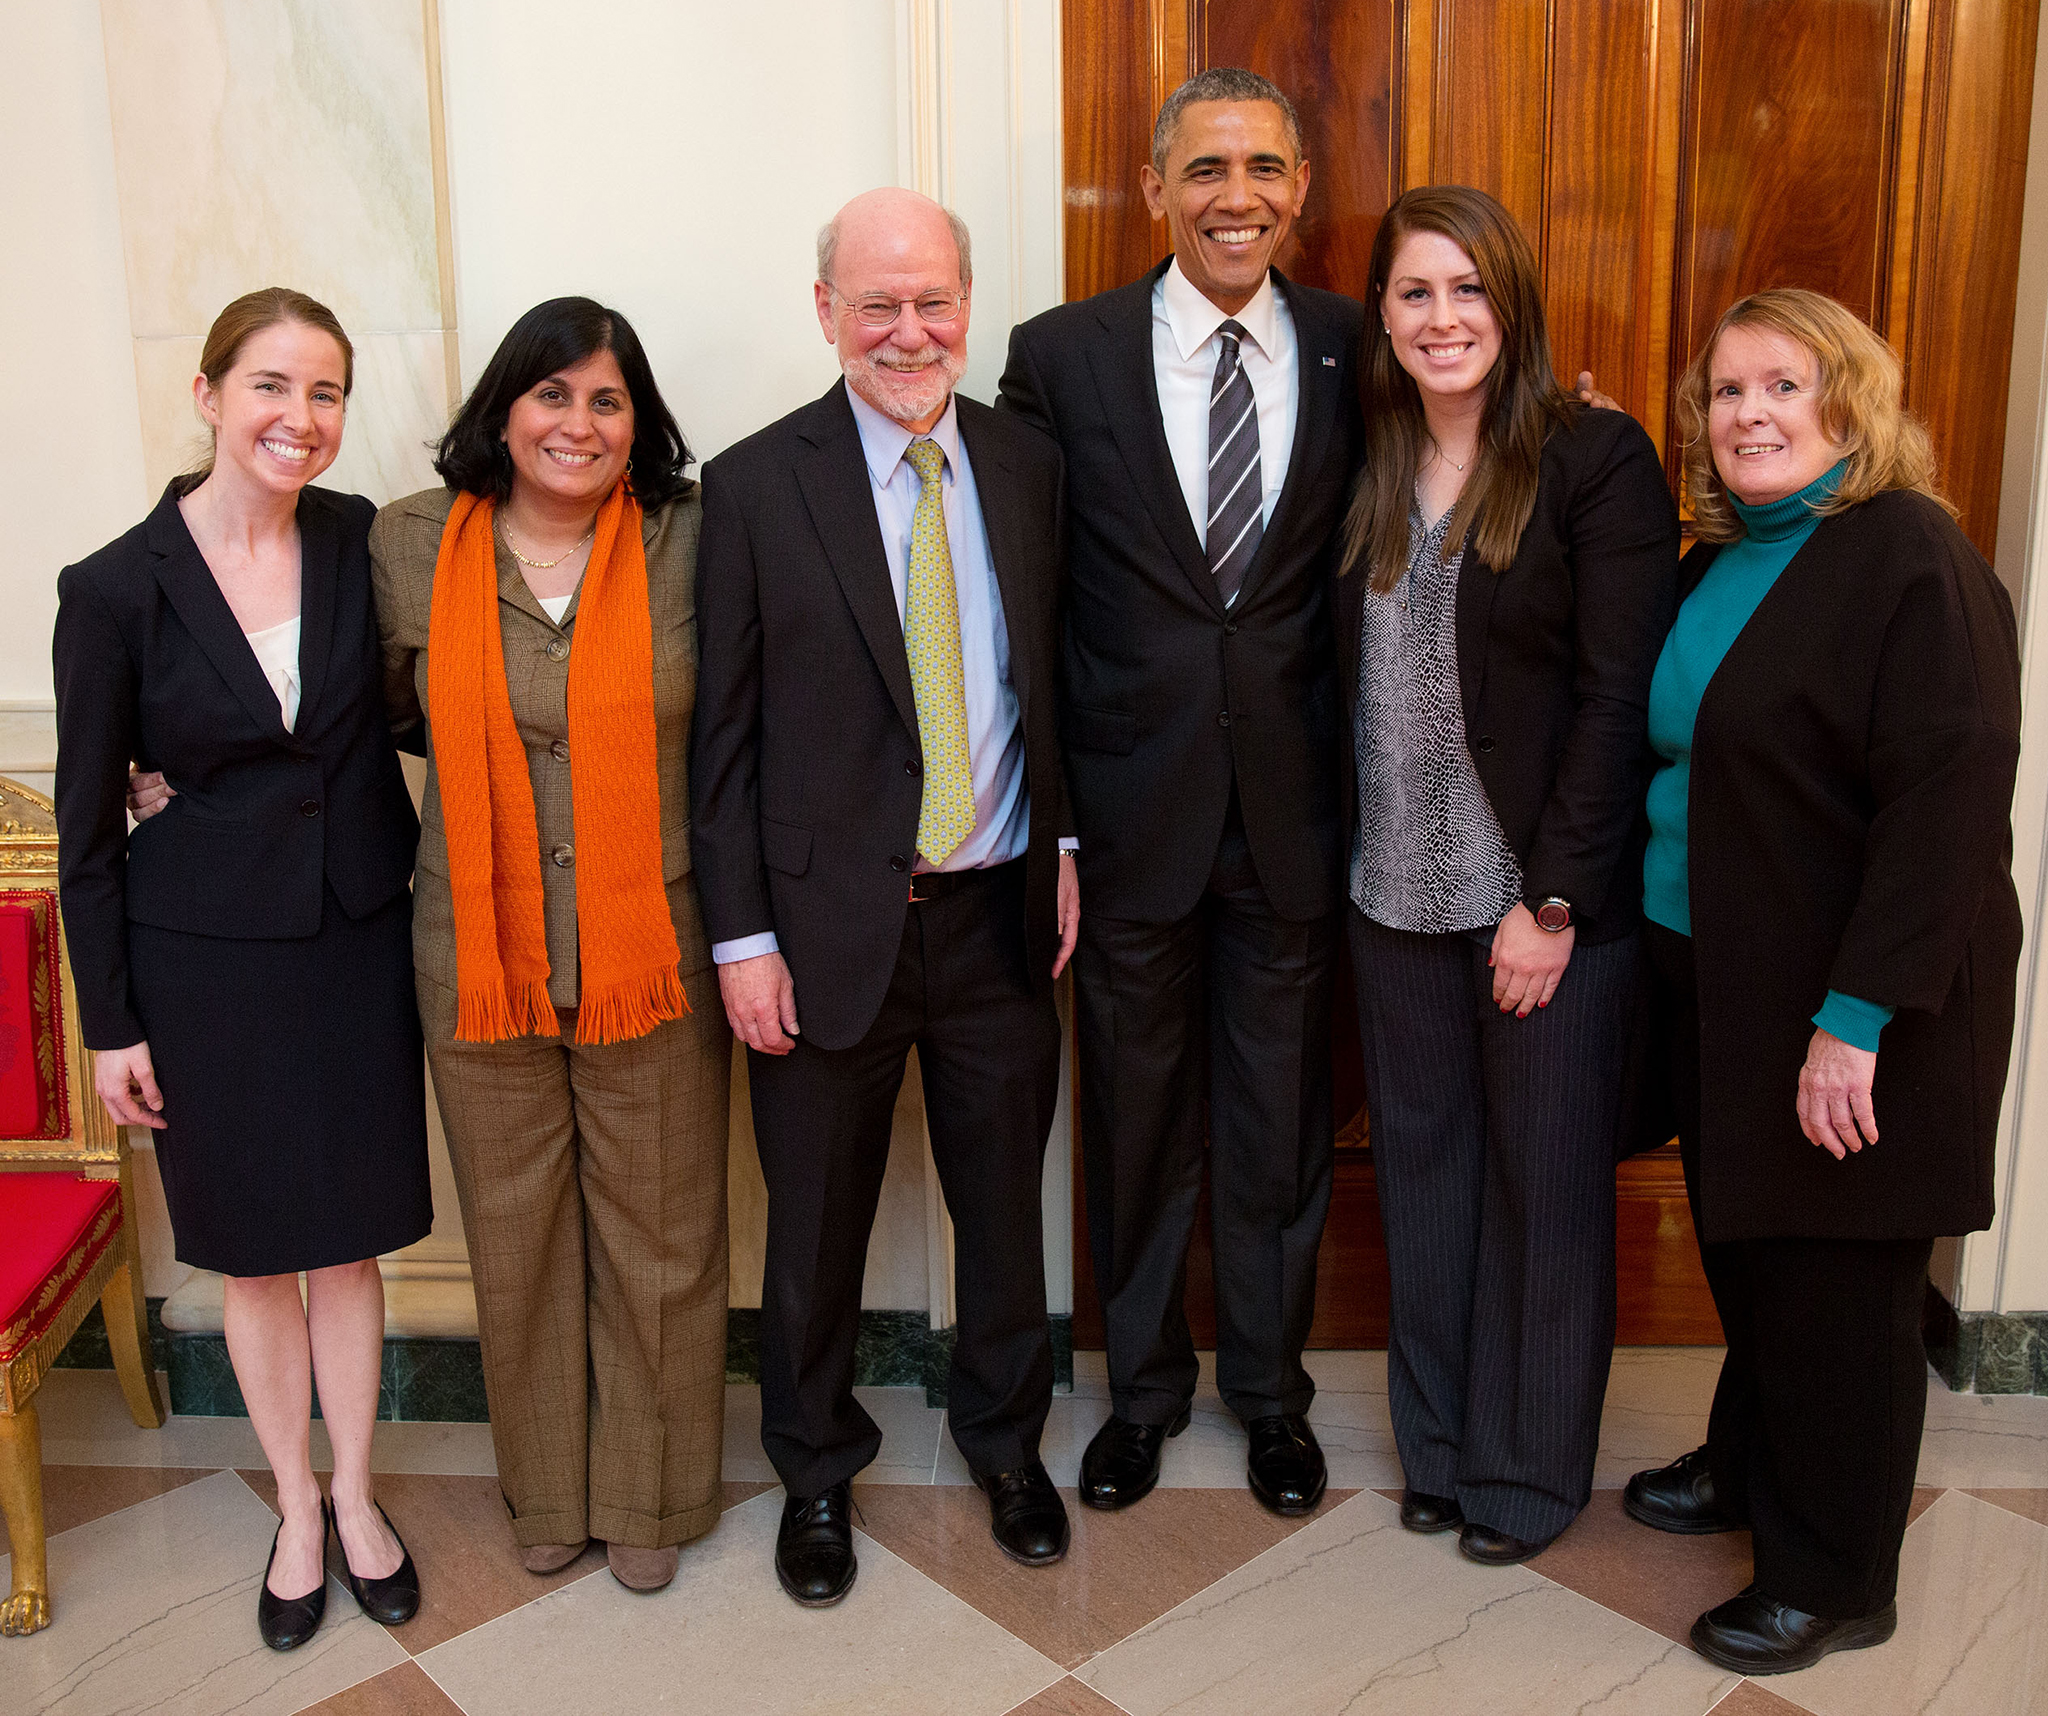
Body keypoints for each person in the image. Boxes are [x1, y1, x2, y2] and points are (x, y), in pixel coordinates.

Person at [1623, 288, 2021, 1673]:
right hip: (1717, 974)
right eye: (1727, 394)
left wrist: (1854, 1025)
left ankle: (1837, 1576)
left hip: (1848, 999)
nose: (1750, 416)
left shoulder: (1910, 555)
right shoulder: (1718, 560)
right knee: (1754, 1244)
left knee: (1839, 1286)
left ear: (1851, 404)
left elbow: (1947, 810)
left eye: (1784, 387)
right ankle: (1750, 1466)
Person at [692, 188, 1077, 1606]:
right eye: (878, 305)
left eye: (934, 302)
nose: (911, 333)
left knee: (1002, 1210)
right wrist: (741, 938)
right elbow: (720, 745)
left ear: (968, 302)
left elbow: (1059, 682)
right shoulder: (747, 486)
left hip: (996, 918)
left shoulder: (1029, 466)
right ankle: (813, 1474)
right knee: (813, 1229)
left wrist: (1072, 852)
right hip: (818, 932)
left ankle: (1004, 1442)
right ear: (826, 313)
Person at [997, 66, 1361, 1519]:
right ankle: (1142, 1394)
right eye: (1206, 169)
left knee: (1277, 1127)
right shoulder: (1060, 356)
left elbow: (1454, 464)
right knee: (1137, 1127)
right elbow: (1027, 588)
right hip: (1128, 820)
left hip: (1292, 817)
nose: (1237, 196)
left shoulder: (1354, 349)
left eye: (1265, 168)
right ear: (1153, 189)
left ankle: (1271, 1397)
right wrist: (1056, 822)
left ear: (1299, 194)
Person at [54, 288, 430, 1650]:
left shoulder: (359, 539)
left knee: (349, 1244)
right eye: (273, 385)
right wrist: (112, 1025)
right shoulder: (110, 588)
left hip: (352, 938)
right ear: (211, 394)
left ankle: (364, 1495)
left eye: (326, 391)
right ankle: (298, 1509)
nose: (302, 417)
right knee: (260, 1258)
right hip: (204, 963)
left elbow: (412, 706)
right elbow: (88, 830)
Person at [1339, 185, 1678, 1565]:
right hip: (1389, 900)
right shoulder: (1368, 460)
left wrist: (1553, 902)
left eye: (1469, 289)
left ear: (1513, 304)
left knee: (1542, 1195)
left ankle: (1528, 1475)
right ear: (1382, 316)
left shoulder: (1592, 458)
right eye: (1416, 292)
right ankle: (1441, 1452)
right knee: (1422, 1180)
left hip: (1532, 908)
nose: (1443, 318)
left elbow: (1616, 701)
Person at [371, 299, 732, 1593]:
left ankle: (648, 1496)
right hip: (476, 949)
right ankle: (548, 1488)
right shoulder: (408, 544)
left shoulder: (692, 540)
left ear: (638, 426)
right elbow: (373, 723)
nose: (577, 424)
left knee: (663, 1234)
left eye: (607, 400)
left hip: (661, 942)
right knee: (516, 1234)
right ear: (503, 409)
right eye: (552, 395)